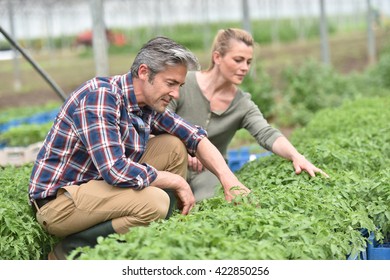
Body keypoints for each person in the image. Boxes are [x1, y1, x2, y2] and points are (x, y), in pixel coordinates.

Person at [28, 36, 250, 260]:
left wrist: (229, 180)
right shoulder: (101, 97)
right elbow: (115, 170)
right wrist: (177, 181)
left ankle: (157, 233)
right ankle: (67, 252)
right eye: (171, 83)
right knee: (155, 202)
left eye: (180, 86)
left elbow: (194, 137)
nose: (176, 94)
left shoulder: (147, 104)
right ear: (144, 72)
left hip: (96, 188)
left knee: (173, 146)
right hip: (60, 204)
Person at [168, 28, 329, 202]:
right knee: (161, 207)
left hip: (209, 173)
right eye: (238, 60)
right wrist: (186, 151)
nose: (244, 68)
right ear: (217, 57)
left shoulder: (241, 104)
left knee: (207, 203)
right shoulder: (184, 84)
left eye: (248, 62)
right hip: (172, 163)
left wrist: (296, 156)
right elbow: (159, 123)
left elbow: (266, 133)